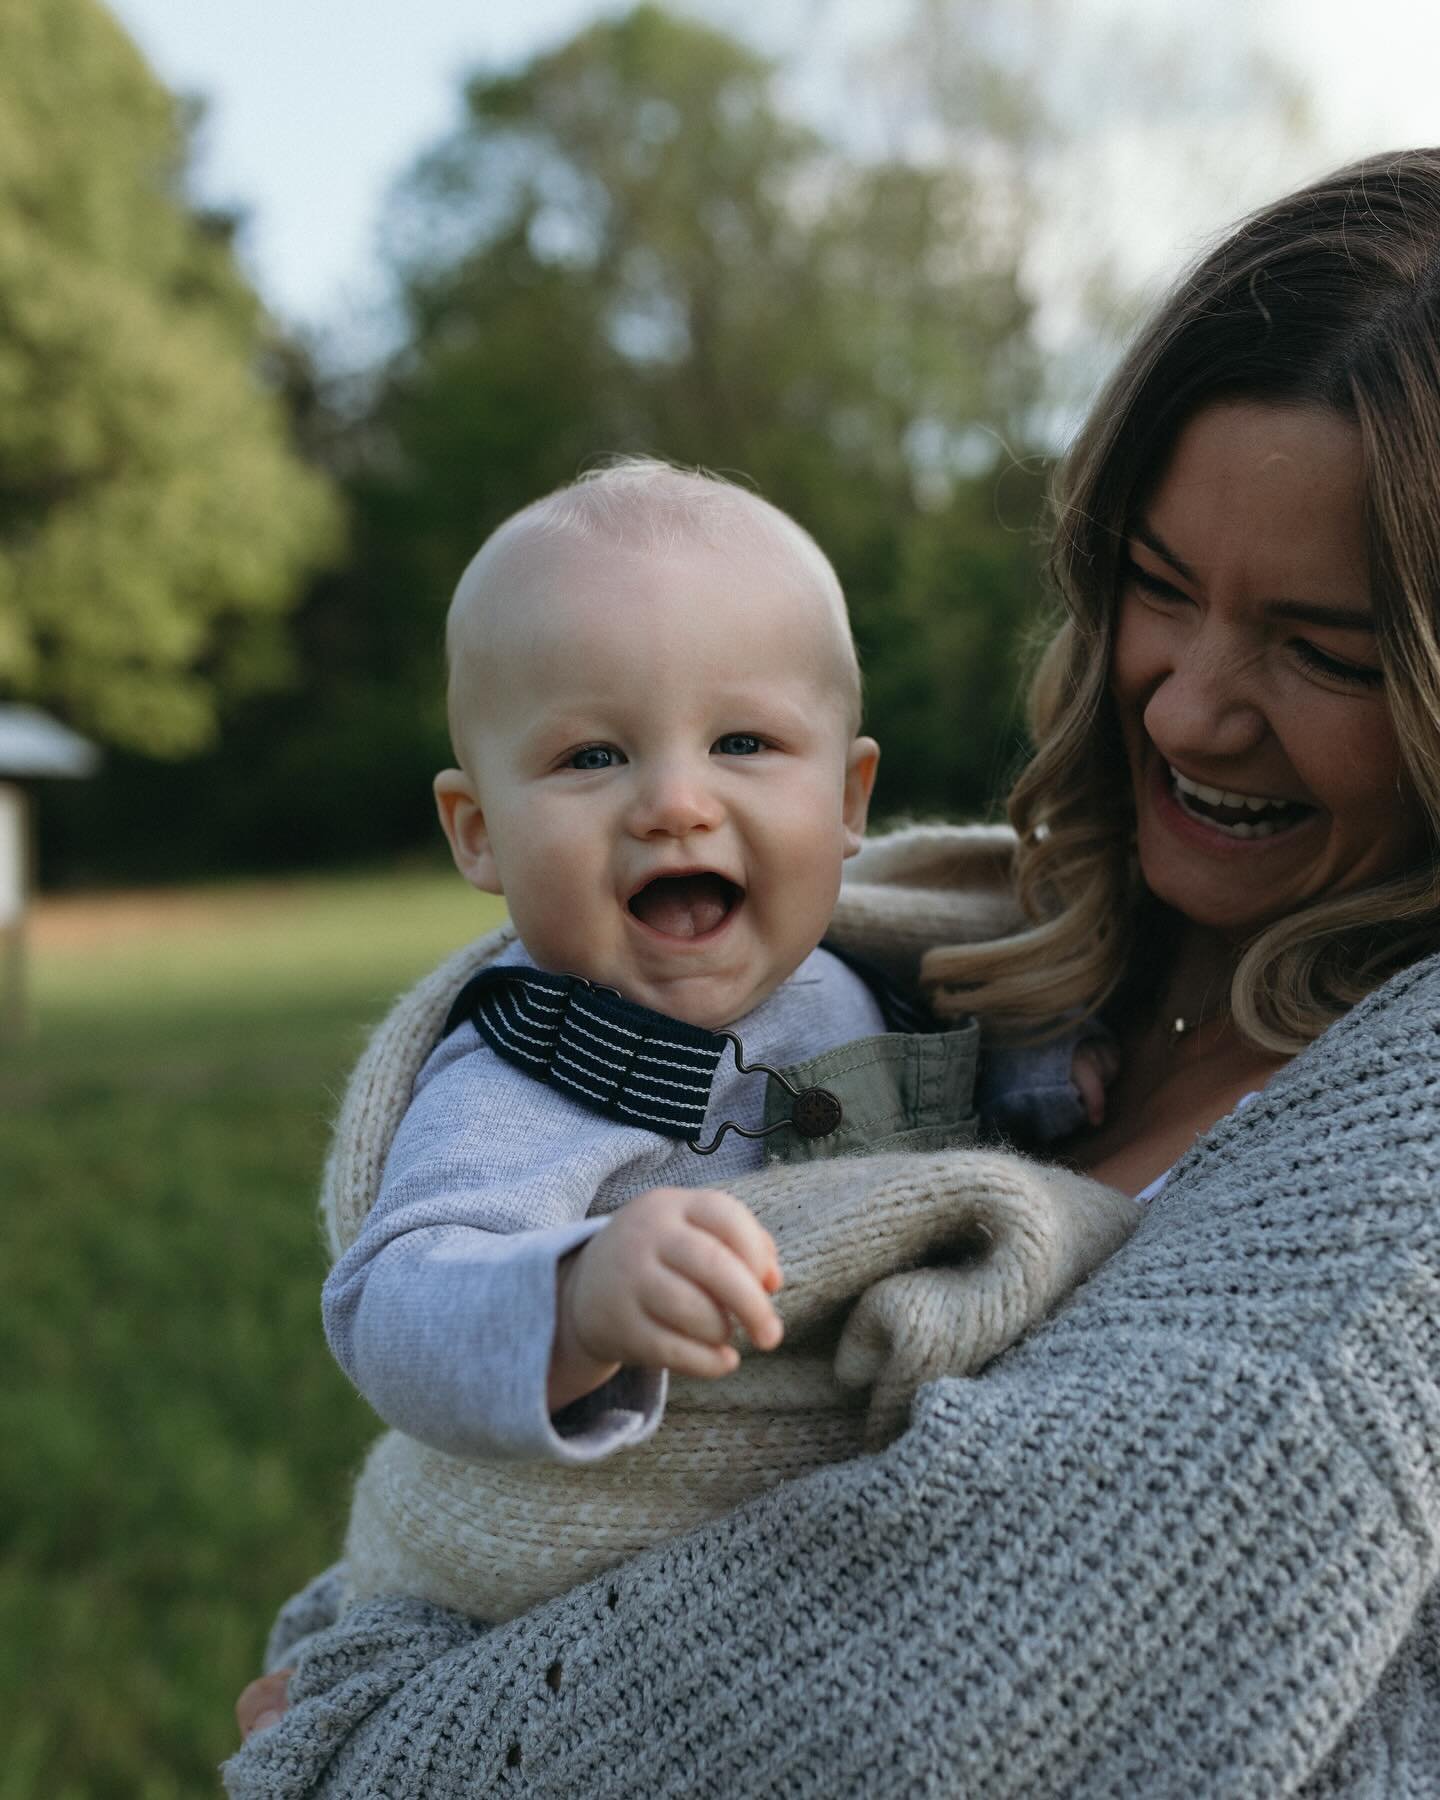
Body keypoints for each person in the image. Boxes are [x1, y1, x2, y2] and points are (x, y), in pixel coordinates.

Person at [226, 147, 1440, 1796]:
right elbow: (427, 1321)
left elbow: (902, 1719)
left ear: (846, 778)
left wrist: (366, 1751)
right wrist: (554, 1343)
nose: (1182, 708)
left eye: (1324, 651)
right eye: (1157, 590)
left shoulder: (1389, 1179)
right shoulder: (932, 955)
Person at [321, 459, 1120, 1625]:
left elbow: (946, 1100)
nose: (675, 804)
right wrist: (577, 1298)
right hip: (636, 1577)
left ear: (849, 804)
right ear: (479, 832)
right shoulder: (531, 1067)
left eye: (742, 743)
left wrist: (1044, 1074)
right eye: (593, 757)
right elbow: (395, 1305)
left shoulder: (864, 980)